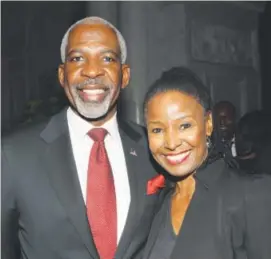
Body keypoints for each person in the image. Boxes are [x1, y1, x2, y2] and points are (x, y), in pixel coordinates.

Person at [1, 16, 161, 259]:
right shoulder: (14, 155)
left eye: (107, 58)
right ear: (62, 75)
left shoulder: (154, 149)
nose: (92, 70)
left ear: (125, 75)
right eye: (77, 59)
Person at [142, 67, 271, 259]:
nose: (171, 143)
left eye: (184, 125)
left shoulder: (253, 195)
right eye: (157, 130)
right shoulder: (159, 203)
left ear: (208, 123)